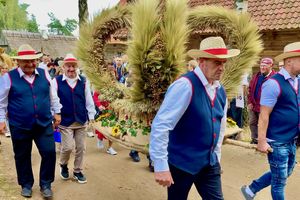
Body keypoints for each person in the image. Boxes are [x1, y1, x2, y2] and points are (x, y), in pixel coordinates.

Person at [150, 36, 240, 200]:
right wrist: (161, 165)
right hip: (182, 163)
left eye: (223, 63)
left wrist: (216, 156)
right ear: (201, 61)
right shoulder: (185, 85)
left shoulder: (220, 90)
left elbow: (220, 127)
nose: (221, 68)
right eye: (216, 62)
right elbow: (161, 125)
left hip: (209, 164)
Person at [0, 44, 62, 198]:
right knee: (22, 155)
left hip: (44, 123)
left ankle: (46, 184)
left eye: (33, 60)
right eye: (26, 61)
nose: (30, 64)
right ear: (18, 62)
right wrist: (1, 120)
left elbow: (53, 96)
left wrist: (58, 113)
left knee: (49, 153)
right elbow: (1, 103)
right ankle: (26, 184)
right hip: (19, 125)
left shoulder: (45, 73)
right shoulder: (8, 77)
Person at [241, 42, 300, 200]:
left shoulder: (297, 81)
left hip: (292, 139)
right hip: (277, 141)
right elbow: (264, 115)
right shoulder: (273, 84)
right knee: (279, 182)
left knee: (285, 173)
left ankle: (251, 189)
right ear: (289, 61)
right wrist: (261, 141)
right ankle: (252, 189)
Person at [54, 53, 96, 184]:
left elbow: (88, 100)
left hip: (81, 120)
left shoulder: (83, 81)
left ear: (76, 67)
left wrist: (91, 116)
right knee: (66, 147)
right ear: (63, 67)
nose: (71, 69)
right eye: (68, 66)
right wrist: (55, 115)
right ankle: (63, 164)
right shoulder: (55, 81)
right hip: (65, 121)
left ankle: (77, 170)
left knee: (81, 147)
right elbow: (54, 100)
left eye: (73, 66)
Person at [247, 57, 276, 144]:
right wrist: (249, 102)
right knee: (252, 122)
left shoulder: (274, 78)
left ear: (271, 66)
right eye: (261, 65)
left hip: (266, 107)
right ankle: (254, 138)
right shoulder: (256, 76)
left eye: (265, 66)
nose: (262, 68)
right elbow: (250, 89)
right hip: (254, 105)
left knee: (265, 124)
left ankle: (265, 140)